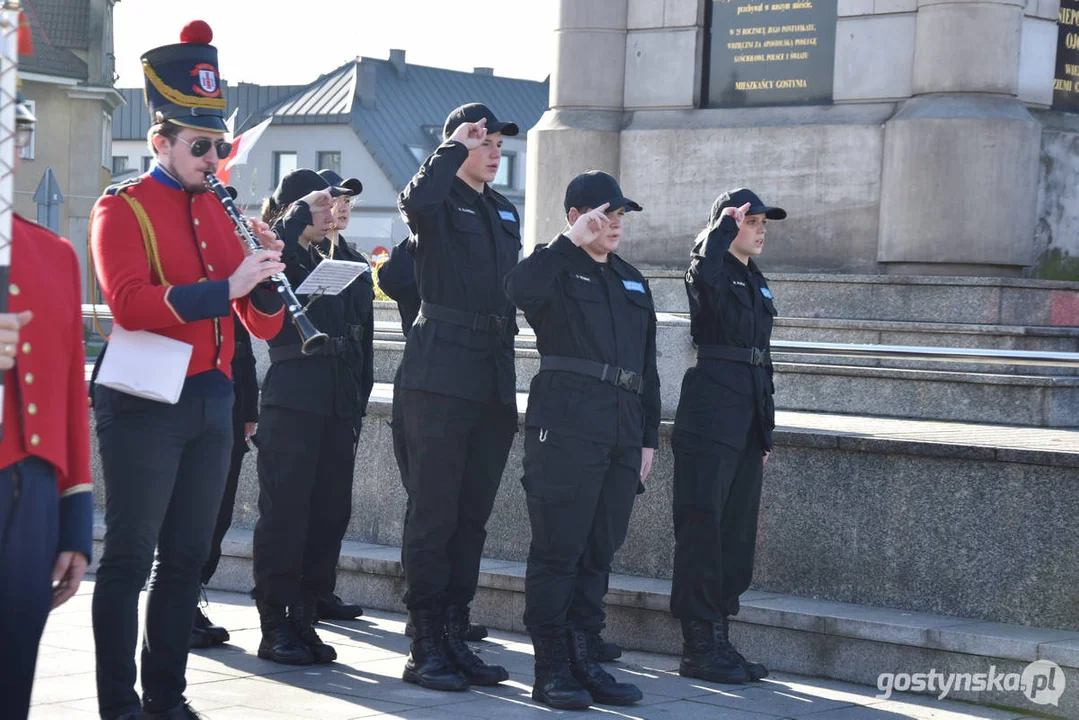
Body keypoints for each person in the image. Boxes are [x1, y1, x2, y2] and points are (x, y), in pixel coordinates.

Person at [89, 21, 287, 720]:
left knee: (185, 559)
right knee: (128, 558)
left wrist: (265, 277)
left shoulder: (222, 210)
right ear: (161, 142)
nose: (213, 158)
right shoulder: (124, 205)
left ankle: (166, 701)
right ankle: (119, 705)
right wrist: (227, 287)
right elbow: (129, 303)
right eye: (200, 146)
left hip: (211, 392)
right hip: (143, 396)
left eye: (219, 145)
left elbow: (260, 325)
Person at [504, 171, 658, 710]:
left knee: (599, 548)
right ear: (575, 216)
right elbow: (517, 291)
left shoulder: (632, 280)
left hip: (621, 426)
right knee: (560, 547)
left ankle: (584, 656)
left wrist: (647, 439)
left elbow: (648, 367)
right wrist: (566, 242)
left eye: (620, 214)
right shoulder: (556, 267)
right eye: (602, 213)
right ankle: (550, 667)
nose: (613, 223)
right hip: (568, 422)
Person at [396, 103, 521, 691]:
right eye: (483, 140)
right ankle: (425, 643)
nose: (494, 149)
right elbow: (415, 202)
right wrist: (450, 146)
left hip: (491, 373)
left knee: (472, 517)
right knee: (435, 512)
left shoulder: (502, 209)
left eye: (498, 142)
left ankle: (454, 630)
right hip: (441, 370)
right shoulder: (437, 200)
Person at [250, 168, 373, 666]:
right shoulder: (274, 255)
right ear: (296, 209)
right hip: (293, 395)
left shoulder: (344, 259)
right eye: (321, 207)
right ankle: (274, 623)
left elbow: (361, 338)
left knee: (327, 514)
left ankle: (304, 616)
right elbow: (263, 308)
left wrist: (358, 405)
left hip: (336, 399)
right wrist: (289, 226)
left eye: (333, 207)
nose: (331, 215)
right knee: (285, 515)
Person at [0, 94, 93, 720]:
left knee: (12, 674)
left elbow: (67, 393)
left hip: (29, 495)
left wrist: (72, 525)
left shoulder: (54, 255)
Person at [669, 188, 783, 686]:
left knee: (734, 533)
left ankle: (719, 635)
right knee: (702, 527)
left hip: (745, 418)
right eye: (751, 220)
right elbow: (702, 276)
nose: (760, 228)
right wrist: (720, 228)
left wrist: (764, 432)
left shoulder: (754, 279)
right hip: (712, 413)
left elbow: (763, 360)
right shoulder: (709, 269)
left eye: (763, 222)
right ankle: (698, 644)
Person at [377, 236, 490, 644]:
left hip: (470, 378)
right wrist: (424, 234)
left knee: (462, 510)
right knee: (428, 505)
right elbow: (392, 278)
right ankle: (422, 612)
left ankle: (454, 610)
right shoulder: (422, 238)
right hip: (423, 377)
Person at [302, 167, 367, 624]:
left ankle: (322, 589)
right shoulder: (303, 254)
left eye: (347, 201)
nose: (341, 206)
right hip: (310, 389)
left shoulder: (354, 258)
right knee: (304, 504)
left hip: (347, 387)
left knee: (334, 506)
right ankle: (298, 594)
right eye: (333, 199)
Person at [189, 312, 257, 649]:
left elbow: (243, 346)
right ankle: (179, 606)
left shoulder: (233, 272)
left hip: (231, 404)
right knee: (193, 514)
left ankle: (191, 599)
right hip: (193, 402)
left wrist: (249, 411)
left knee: (220, 514)